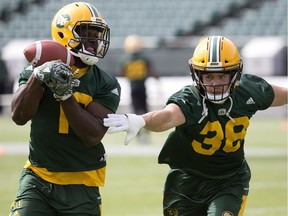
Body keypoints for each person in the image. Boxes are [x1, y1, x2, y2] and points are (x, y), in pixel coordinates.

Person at [104, 36, 287, 215]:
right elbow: (167, 117)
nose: (215, 83)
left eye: (221, 75)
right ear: (197, 74)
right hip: (186, 182)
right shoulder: (190, 98)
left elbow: (284, 94)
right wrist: (141, 120)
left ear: (234, 74)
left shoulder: (249, 90)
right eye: (208, 76)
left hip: (229, 180)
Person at [10, 2, 121, 216]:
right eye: (86, 34)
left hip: (83, 182)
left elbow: (93, 135)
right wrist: (38, 76)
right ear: (63, 33)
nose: (94, 41)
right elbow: (19, 116)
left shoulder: (106, 83)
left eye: (97, 35)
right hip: (38, 178)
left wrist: (65, 94)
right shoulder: (35, 68)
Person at [120, 34, 158, 143]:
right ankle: (147, 132)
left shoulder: (125, 59)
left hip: (133, 88)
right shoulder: (144, 58)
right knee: (145, 110)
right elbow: (151, 70)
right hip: (142, 87)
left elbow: (122, 73)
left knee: (136, 111)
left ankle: (138, 134)